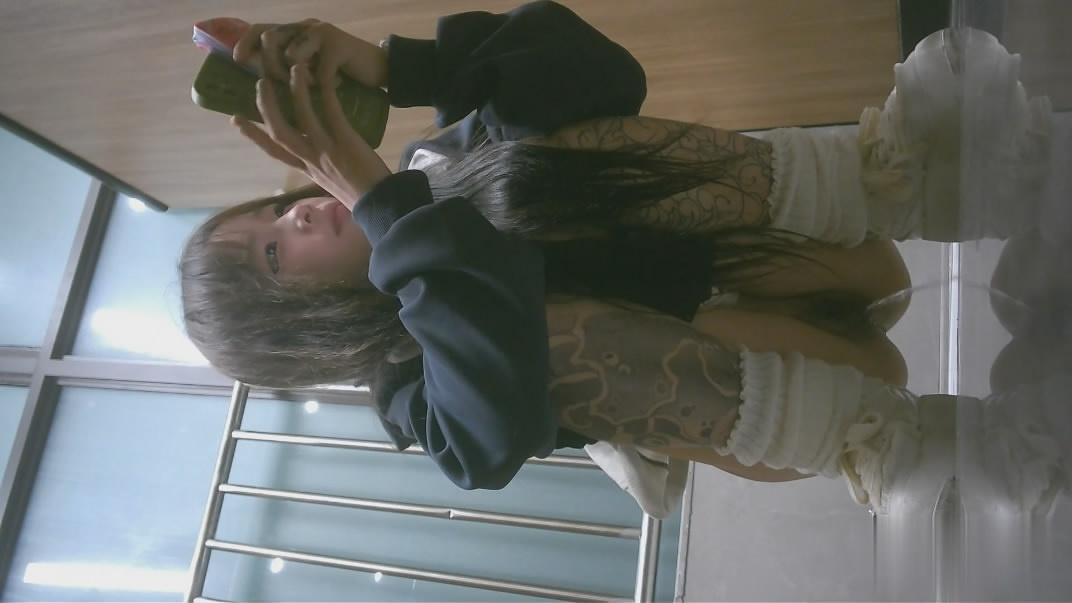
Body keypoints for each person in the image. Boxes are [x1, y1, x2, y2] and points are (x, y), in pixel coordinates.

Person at [180, 1, 917, 499]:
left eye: (277, 211)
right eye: (273, 254)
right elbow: (489, 439)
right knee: (524, 345)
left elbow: (605, 75)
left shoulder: (431, 171)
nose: (302, 213)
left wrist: (392, 69)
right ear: (296, 332)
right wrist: (382, 209)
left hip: (803, 252)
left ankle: (876, 177)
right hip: (801, 395)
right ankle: (884, 439)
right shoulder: (406, 388)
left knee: (531, 156)